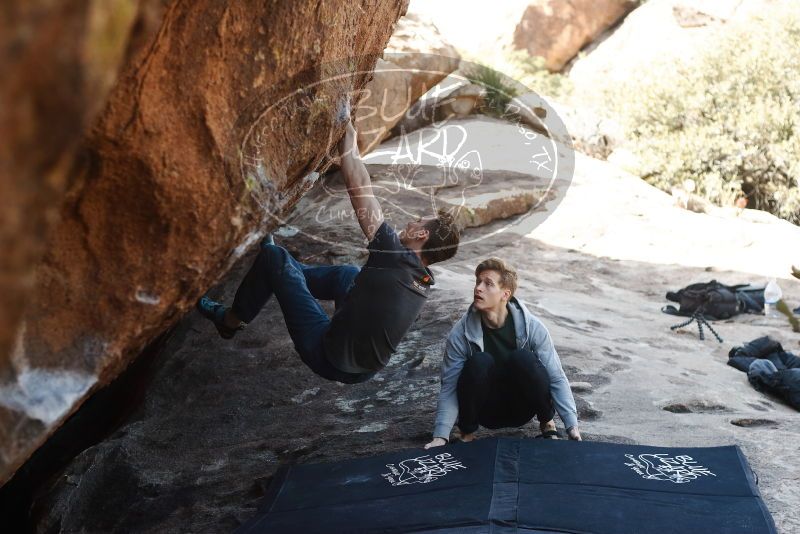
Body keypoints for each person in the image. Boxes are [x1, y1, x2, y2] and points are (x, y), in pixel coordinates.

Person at [197, 121, 460, 384]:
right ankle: (281, 274)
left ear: (421, 235)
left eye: (418, 221)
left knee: (273, 257)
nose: (411, 222)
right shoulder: (423, 281)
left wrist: (347, 132)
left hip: (328, 355)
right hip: (362, 369)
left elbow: (359, 186)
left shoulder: (394, 257)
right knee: (347, 275)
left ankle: (230, 321)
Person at [425, 257, 580, 448]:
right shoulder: (461, 333)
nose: (478, 288)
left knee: (523, 358)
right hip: (485, 410)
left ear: (505, 294)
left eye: (488, 284)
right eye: (478, 282)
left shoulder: (533, 327)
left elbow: (556, 377)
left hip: (522, 407)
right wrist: (440, 435)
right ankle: (467, 432)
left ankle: (547, 423)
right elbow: (449, 386)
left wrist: (572, 425)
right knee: (479, 361)